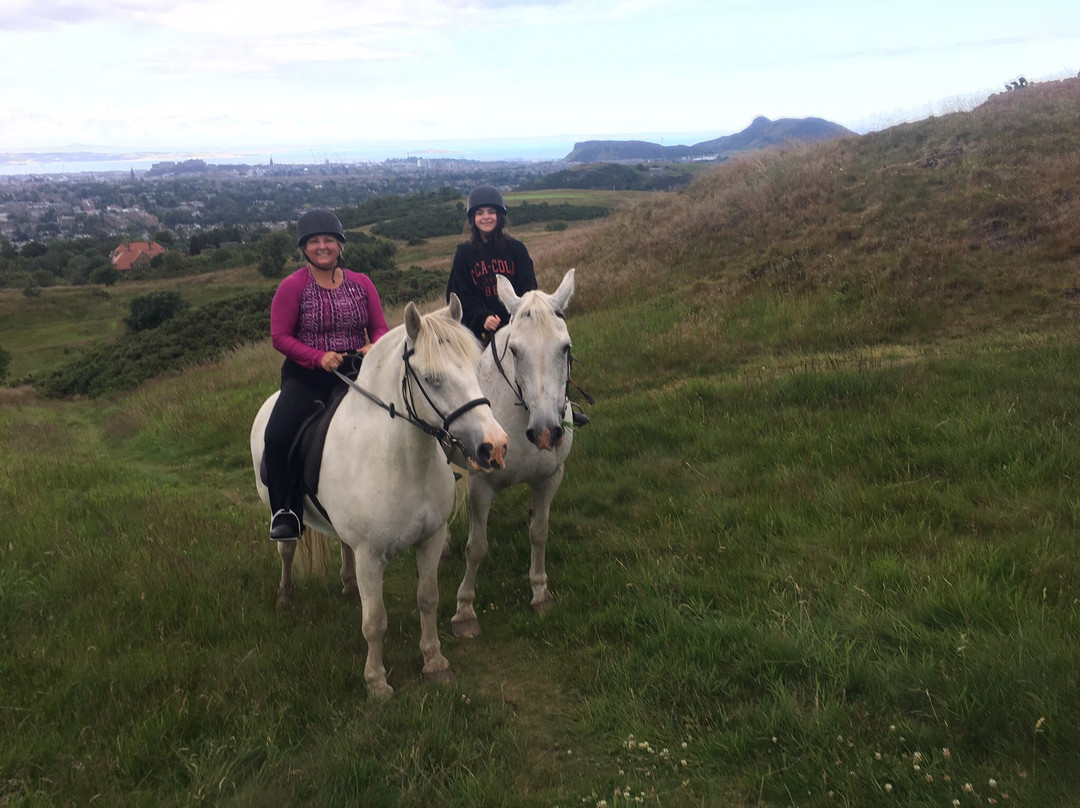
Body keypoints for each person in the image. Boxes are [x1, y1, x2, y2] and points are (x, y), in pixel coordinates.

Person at [263, 209, 389, 541]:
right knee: (277, 437)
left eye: (329, 240)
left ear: (340, 245)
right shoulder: (293, 287)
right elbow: (280, 337)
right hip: (308, 377)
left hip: (356, 372)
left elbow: (379, 327)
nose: (323, 246)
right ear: (304, 248)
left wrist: (373, 346)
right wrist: (318, 358)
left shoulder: (362, 283)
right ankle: (285, 510)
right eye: (314, 241)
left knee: (405, 409)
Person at [446, 185, 588, 427]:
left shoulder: (517, 250)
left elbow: (528, 288)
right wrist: (482, 317)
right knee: (460, 373)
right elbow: (458, 294)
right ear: (473, 219)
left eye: (491, 212)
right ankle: (461, 422)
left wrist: (520, 316)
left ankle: (563, 407)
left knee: (549, 356)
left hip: (517, 325)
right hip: (479, 331)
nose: (486, 217)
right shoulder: (464, 255)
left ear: (500, 216)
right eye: (480, 213)